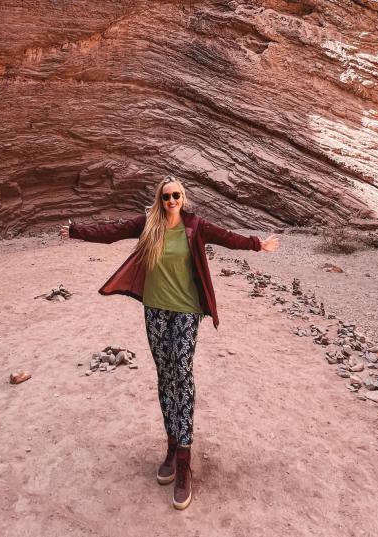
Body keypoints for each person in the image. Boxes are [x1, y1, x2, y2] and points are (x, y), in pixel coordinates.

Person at [60, 175, 279, 510]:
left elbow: (227, 237)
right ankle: (172, 446)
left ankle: (184, 461)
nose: (172, 201)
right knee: (165, 376)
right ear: (159, 200)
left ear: (183, 197)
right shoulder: (149, 224)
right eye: (166, 197)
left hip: (187, 311)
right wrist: (77, 231)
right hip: (155, 310)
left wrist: (257, 244)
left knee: (182, 373)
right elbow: (112, 231)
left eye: (176, 195)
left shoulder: (195, 226)